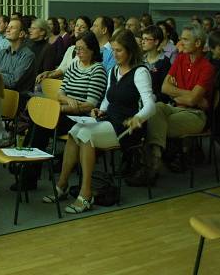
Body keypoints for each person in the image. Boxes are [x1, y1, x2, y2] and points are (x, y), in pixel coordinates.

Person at [45, 30, 155, 213]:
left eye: (119, 50)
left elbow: (151, 105)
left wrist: (138, 117)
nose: (114, 54)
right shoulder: (114, 70)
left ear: (129, 51)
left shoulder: (140, 72)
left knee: (86, 134)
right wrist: (100, 110)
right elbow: (107, 99)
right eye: (113, 50)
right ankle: (62, 184)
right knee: (75, 131)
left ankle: (85, 194)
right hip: (111, 121)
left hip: (129, 127)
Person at [19, 32, 108, 190]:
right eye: (77, 49)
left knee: (41, 123)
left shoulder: (98, 70)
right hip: (66, 112)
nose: (78, 52)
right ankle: (27, 169)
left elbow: (90, 104)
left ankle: (27, 171)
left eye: (82, 49)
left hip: (81, 120)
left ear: (93, 50)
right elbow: (60, 94)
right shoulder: (75, 65)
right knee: (39, 121)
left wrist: (59, 108)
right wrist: (68, 101)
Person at [142, 24, 214, 178]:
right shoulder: (180, 59)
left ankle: (152, 164)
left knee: (152, 123)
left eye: (185, 39)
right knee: (157, 107)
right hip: (176, 108)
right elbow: (164, 88)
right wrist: (186, 95)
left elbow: (193, 101)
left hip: (195, 115)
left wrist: (180, 94)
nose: (180, 42)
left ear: (198, 43)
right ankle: (158, 157)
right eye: (181, 38)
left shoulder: (207, 67)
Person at [36, 15, 92, 83]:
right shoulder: (70, 49)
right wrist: (48, 73)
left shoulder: (89, 50)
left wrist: (51, 74)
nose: (78, 29)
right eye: (77, 25)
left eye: (82, 27)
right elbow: (61, 68)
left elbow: (69, 68)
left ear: (88, 30)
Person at [0, 18, 35, 91]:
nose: (7, 30)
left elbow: (13, 82)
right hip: (0, 92)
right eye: (7, 27)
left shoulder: (28, 55)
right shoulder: (2, 52)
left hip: (19, 97)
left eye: (12, 28)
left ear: (21, 34)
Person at [141, 25, 171, 102]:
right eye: (142, 39)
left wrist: (152, 98)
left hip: (156, 102)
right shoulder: (140, 60)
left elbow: (164, 89)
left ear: (156, 42)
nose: (143, 42)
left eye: (146, 39)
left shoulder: (164, 62)